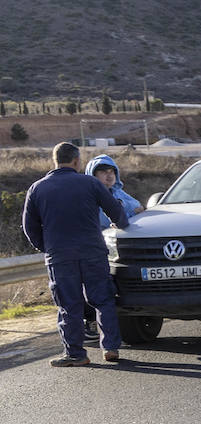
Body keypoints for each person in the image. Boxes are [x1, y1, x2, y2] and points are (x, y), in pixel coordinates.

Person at [22, 142, 128, 366]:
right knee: (103, 300)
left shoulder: (37, 188)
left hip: (59, 256)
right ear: (77, 161)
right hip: (93, 252)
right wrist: (121, 223)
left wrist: (48, 247)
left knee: (68, 305)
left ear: (55, 160)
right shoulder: (90, 183)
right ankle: (110, 347)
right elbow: (115, 210)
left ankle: (76, 354)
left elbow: (29, 227)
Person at [82, 154, 143, 343]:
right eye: (102, 172)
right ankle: (90, 322)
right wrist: (123, 213)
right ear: (93, 174)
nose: (108, 176)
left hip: (121, 250)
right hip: (94, 248)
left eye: (111, 171)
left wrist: (123, 212)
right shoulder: (89, 194)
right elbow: (103, 218)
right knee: (91, 289)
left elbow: (139, 208)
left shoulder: (119, 193)